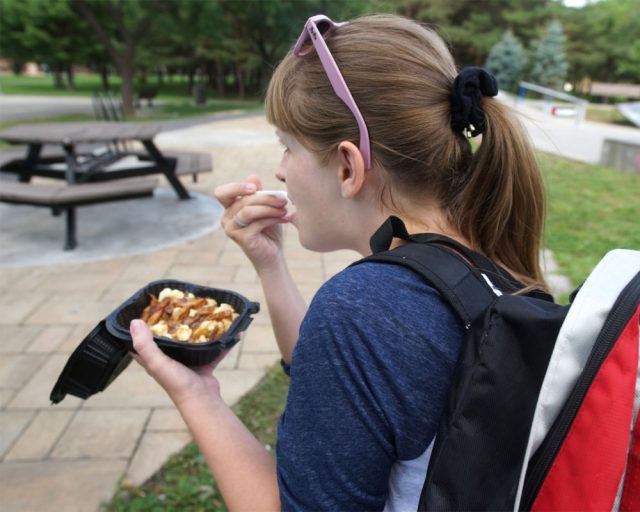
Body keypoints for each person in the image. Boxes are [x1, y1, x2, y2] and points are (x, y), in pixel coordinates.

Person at [129, 13, 548, 511]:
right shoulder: (489, 261)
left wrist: (196, 393)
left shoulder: (364, 310)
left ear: (349, 166)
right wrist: (269, 262)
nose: (280, 171)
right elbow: (347, 386)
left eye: (288, 147)